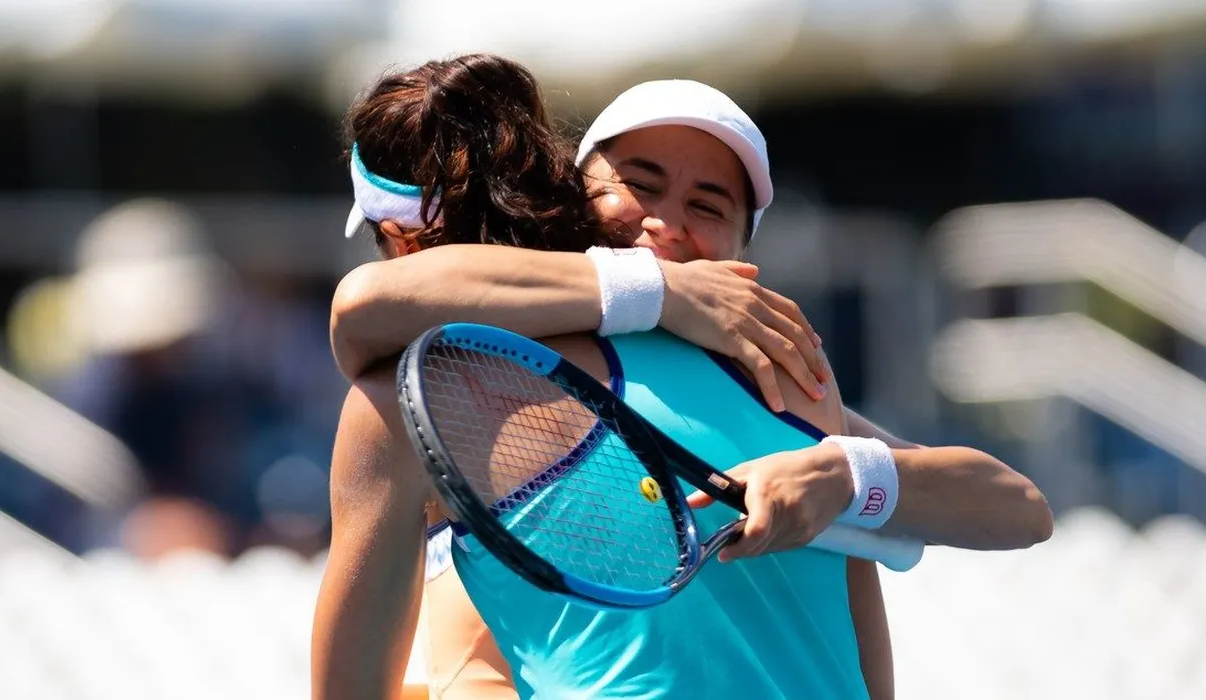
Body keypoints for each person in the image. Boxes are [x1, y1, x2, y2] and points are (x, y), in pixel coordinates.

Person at [327, 77, 1054, 698]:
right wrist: (662, 289)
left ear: (742, 245)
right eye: (639, 185)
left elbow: (1019, 508)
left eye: (709, 206)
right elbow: (363, 305)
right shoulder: (464, 384)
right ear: (574, 198)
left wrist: (842, 476)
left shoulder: (788, 381)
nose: (666, 222)